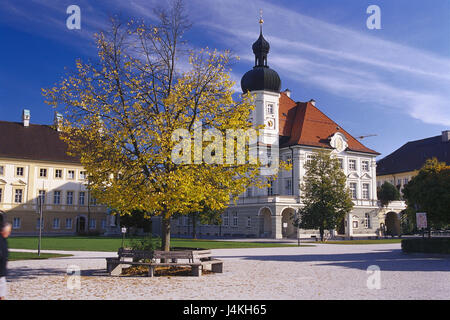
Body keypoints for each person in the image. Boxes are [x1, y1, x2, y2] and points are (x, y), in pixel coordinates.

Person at [0, 222, 12, 300]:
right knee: (1, 294)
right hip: (0, 272)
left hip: (1, 271)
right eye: (8, 231)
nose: (9, 233)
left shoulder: (3, 239)